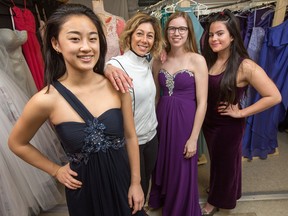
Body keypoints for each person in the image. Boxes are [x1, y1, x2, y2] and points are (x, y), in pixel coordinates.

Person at [8, 4, 145, 216]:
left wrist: (136, 183)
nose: (86, 47)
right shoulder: (46, 100)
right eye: (74, 39)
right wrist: (55, 170)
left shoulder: (117, 85)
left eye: (92, 38)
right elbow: (16, 143)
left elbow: (131, 136)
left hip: (123, 183)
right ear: (56, 44)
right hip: (84, 193)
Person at [201, 9, 282, 216]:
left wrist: (242, 113)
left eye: (220, 34)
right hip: (209, 123)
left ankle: (216, 201)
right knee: (218, 162)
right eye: (211, 34)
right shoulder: (210, 60)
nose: (214, 38)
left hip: (228, 126)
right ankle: (223, 190)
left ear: (232, 36)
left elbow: (274, 96)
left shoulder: (245, 65)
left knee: (225, 164)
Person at [147, 12, 208, 216]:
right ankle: (161, 197)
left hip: (185, 121)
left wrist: (193, 138)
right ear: (166, 32)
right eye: (172, 28)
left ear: (189, 31)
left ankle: (179, 208)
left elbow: (202, 103)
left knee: (181, 164)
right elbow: (155, 96)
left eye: (182, 28)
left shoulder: (197, 60)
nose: (176, 33)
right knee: (162, 160)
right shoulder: (158, 60)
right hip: (162, 118)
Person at [104, 12, 164, 204]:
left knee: (144, 186)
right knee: (130, 191)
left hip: (151, 138)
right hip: (131, 143)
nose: (144, 40)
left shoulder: (148, 62)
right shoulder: (116, 65)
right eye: (140, 33)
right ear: (129, 35)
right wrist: (106, 68)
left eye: (150, 35)